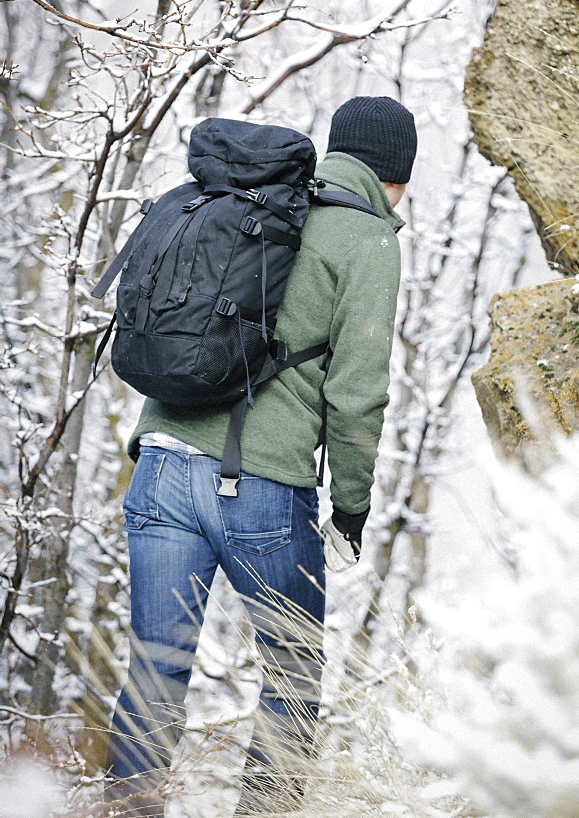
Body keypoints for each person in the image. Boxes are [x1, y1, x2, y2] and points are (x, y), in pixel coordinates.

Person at [105, 95, 418, 816]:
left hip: (158, 465)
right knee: (292, 675)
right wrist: (351, 508)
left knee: (156, 671)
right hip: (258, 487)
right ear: (396, 174)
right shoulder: (367, 238)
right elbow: (358, 393)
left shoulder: (244, 200)